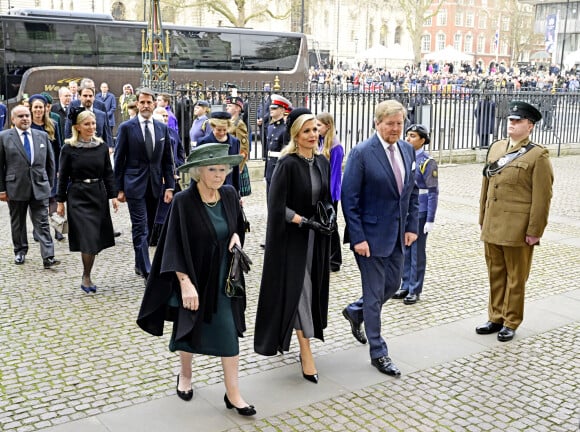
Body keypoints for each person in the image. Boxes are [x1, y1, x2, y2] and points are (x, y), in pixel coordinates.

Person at [137, 144, 256, 416]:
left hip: (224, 276)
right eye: (212, 169)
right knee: (188, 326)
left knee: (228, 329)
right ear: (198, 172)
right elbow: (173, 244)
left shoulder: (228, 193)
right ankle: (185, 375)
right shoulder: (183, 201)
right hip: (192, 273)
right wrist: (185, 283)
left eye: (223, 169)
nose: (219, 175)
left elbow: (237, 224)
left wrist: (236, 237)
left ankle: (233, 393)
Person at [341, 99, 419, 377]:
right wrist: (358, 237)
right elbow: (349, 200)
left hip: (398, 235)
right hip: (370, 239)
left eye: (399, 123)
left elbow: (411, 193)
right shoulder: (362, 153)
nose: (396, 129)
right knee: (375, 295)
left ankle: (355, 310)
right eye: (390, 124)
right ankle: (378, 352)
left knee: (392, 285)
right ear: (377, 123)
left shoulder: (408, 150)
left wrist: (411, 227)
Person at [254, 108, 332, 384]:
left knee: (310, 289)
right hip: (292, 240)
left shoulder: (322, 162)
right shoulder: (287, 164)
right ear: (296, 135)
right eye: (307, 131)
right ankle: (306, 350)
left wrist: (327, 217)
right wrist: (302, 221)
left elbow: (326, 198)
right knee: (300, 290)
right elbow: (276, 206)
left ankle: (296, 336)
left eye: (315, 129)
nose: (313, 135)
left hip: (315, 240)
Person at [476, 101, 553, 342]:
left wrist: (535, 230)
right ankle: (495, 316)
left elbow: (543, 197)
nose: (512, 124)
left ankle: (511, 320)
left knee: (516, 277)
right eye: (511, 120)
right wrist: (482, 217)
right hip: (493, 224)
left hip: (517, 229)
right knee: (495, 273)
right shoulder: (497, 147)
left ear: (530, 126)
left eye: (518, 121)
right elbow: (486, 186)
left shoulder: (537, 155)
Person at [114, 88, 175, 280]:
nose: (146, 105)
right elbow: (119, 159)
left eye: (149, 102)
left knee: (149, 226)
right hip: (133, 184)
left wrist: (170, 186)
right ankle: (147, 269)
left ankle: (139, 264)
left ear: (154, 104)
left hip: (155, 185)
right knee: (140, 226)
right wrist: (119, 189)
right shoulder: (126, 128)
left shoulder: (162, 128)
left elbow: (167, 160)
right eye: (143, 102)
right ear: (137, 104)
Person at [56, 108, 119, 293]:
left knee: (94, 238)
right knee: (88, 237)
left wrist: (113, 196)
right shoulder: (68, 148)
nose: (91, 127)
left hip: (97, 194)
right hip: (78, 195)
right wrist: (60, 202)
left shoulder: (101, 147)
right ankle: (86, 276)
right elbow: (63, 177)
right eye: (87, 124)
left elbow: (108, 173)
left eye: (93, 123)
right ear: (77, 127)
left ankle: (87, 273)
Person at [0, 105, 60, 269]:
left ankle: (48, 256)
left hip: (39, 187)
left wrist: (50, 186)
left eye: (27, 115)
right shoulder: (4, 137)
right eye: (20, 116)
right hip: (15, 187)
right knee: (18, 223)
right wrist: (2, 190)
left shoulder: (42, 135)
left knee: (42, 222)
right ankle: (20, 251)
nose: (25, 118)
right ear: (13, 120)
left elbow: (50, 163)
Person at [393, 124, 439, 305]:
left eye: (412, 136)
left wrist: (430, 218)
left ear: (422, 140)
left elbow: (433, 191)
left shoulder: (427, 162)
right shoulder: (404, 156)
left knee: (417, 252)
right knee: (405, 248)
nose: (408, 139)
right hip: (406, 209)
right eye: (407, 135)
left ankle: (415, 288)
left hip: (420, 209)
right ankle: (405, 284)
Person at [29, 94, 64, 241]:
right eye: (35, 107)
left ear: (45, 108)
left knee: (52, 199)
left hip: (51, 168)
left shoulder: (53, 125)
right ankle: (38, 229)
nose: (38, 110)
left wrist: (58, 169)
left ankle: (57, 228)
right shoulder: (27, 125)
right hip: (33, 171)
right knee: (36, 201)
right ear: (31, 109)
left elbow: (59, 148)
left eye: (40, 107)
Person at [149, 107, 185, 246]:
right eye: (161, 116)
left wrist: (178, 167)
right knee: (160, 208)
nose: (165, 118)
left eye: (166, 116)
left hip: (173, 174)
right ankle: (155, 235)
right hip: (159, 176)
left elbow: (180, 151)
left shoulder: (173, 133)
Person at [316, 112, 344, 272]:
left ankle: (335, 260)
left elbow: (335, 175)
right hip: (320, 190)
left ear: (328, 126)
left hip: (330, 193)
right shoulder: (320, 142)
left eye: (319, 125)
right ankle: (324, 256)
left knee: (331, 226)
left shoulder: (335, 146)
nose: (316, 128)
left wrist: (330, 197)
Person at [197, 112, 240, 192]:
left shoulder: (235, 142)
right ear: (213, 127)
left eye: (225, 130)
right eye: (219, 130)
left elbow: (235, 169)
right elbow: (197, 169)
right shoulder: (203, 142)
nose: (222, 133)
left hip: (228, 188)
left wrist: (237, 192)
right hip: (208, 188)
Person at [64, 84, 113, 149]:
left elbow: (106, 134)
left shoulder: (101, 115)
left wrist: (109, 147)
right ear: (79, 97)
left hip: (98, 152)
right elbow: (68, 132)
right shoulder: (73, 113)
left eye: (90, 96)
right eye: (85, 96)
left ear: (94, 97)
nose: (88, 98)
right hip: (77, 151)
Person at [264, 94, 292, 197]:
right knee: (269, 198)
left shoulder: (285, 129)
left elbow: (286, 153)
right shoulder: (270, 127)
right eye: (271, 108)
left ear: (282, 110)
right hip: (270, 168)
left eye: (274, 108)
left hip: (279, 168)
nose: (271, 110)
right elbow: (268, 153)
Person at [225, 96, 251, 196]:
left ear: (238, 108)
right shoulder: (228, 122)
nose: (227, 107)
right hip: (228, 161)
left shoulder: (239, 124)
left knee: (236, 195)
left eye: (230, 105)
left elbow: (244, 148)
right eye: (227, 105)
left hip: (235, 164)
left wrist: (239, 168)